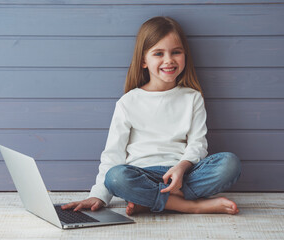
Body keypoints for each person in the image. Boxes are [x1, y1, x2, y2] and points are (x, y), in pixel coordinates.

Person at [62, 16, 241, 216]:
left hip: (183, 174)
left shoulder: (192, 98)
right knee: (116, 177)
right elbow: (113, 154)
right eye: (158, 53)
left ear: (185, 55)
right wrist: (98, 195)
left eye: (176, 52)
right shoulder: (128, 102)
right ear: (143, 61)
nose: (169, 60)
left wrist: (181, 167)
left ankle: (149, 201)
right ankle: (190, 206)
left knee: (229, 163)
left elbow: (198, 144)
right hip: (141, 175)